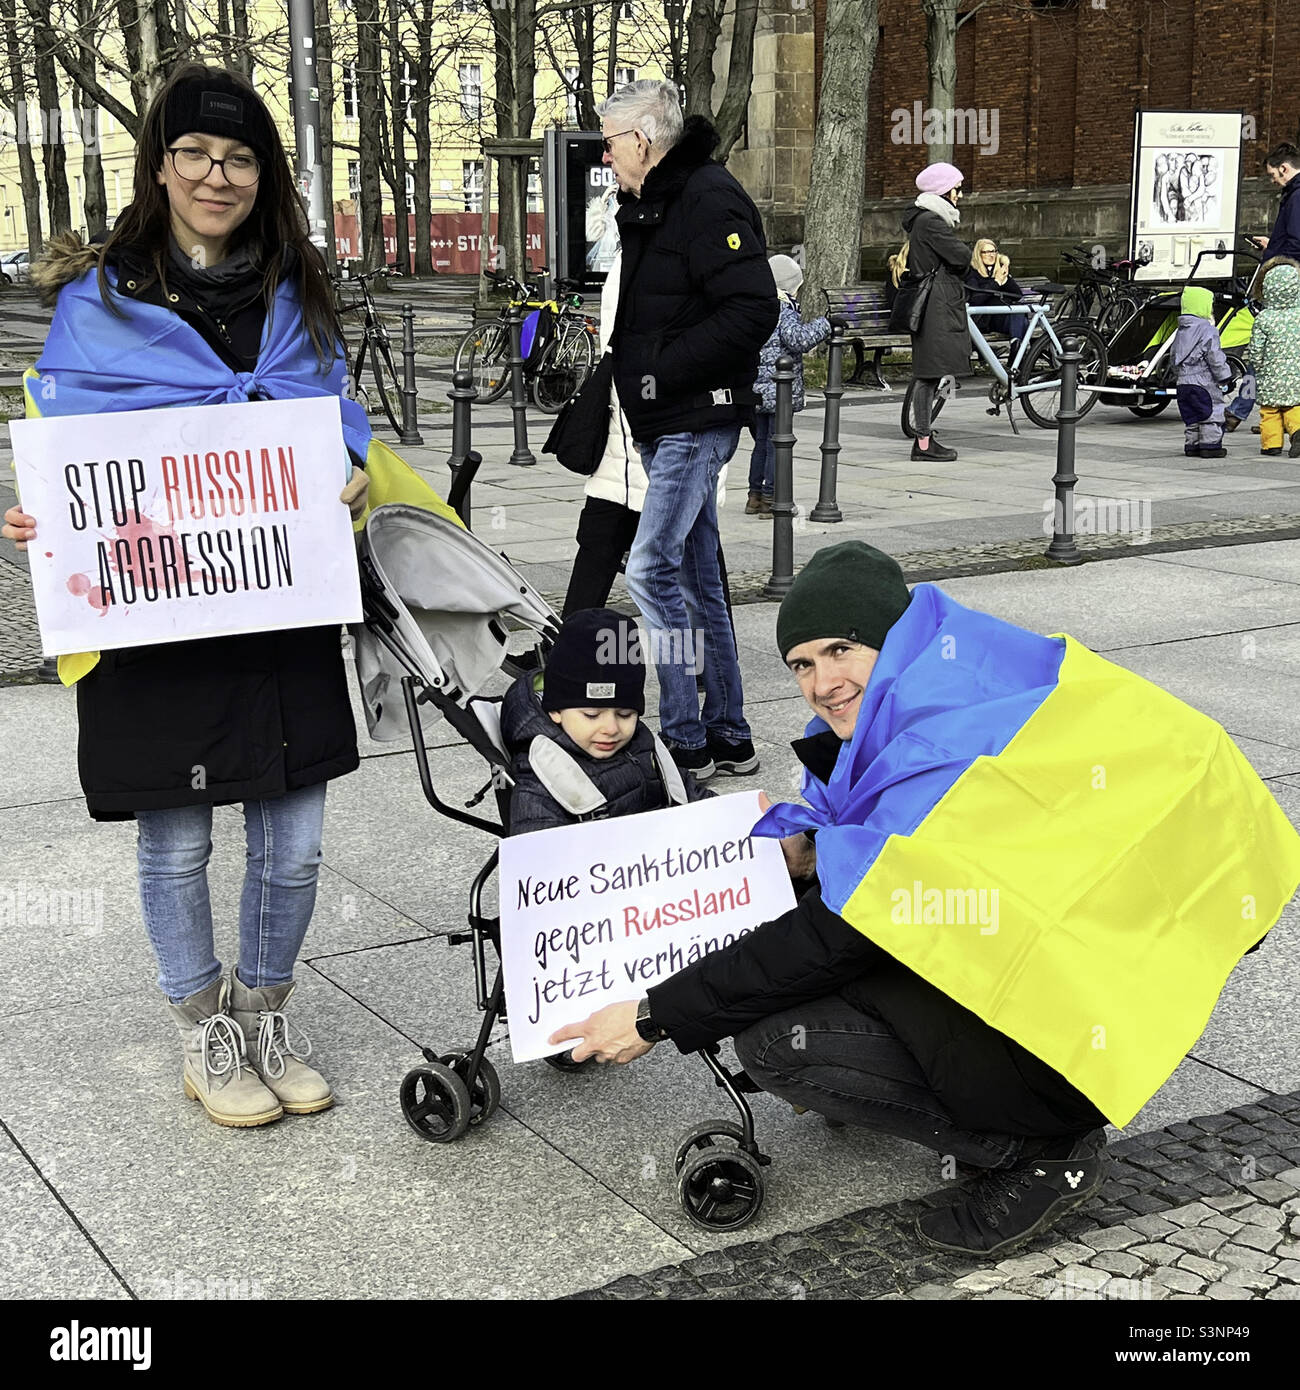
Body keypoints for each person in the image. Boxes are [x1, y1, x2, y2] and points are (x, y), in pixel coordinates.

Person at [550, 540, 1300, 1257]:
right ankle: (1024, 1105)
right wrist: (816, 852)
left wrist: (657, 1014)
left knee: (777, 1043)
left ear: (897, 639)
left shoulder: (933, 741)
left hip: (1068, 1010)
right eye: (801, 663)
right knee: (820, 983)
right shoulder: (949, 688)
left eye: (842, 650)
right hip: (1069, 963)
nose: (820, 682)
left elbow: (837, 934)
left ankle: (1040, 1150)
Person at [2, 65, 372, 1129]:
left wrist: (352, 463)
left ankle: (264, 1008)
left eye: (241, 156)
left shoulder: (296, 292)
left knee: (294, 835)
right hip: (154, 612)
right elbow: (67, 438)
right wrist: (40, 516)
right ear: (161, 168)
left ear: (265, 174)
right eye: (198, 155)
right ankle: (201, 1026)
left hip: (279, 597)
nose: (219, 174)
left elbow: (335, 410)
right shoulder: (99, 299)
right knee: (177, 837)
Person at [599, 79, 777, 782]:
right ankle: (729, 734)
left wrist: (664, 369)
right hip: (669, 417)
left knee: (649, 568)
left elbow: (751, 309)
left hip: (693, 419)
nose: (606, 158)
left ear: (640, 141)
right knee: (699, 578)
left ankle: (684, 739)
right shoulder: (657, 198)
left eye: (610, 145)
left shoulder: (706, 195)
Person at [500, 607, 711, 837]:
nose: (611, 729)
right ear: (555, 711)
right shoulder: (541, 778)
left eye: (625, 715)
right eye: (591, 715)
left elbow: (692, 794)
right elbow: (539, 855)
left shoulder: (643, 745)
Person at [746, 254, 831, 517]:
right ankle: (774, 497)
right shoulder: (783, 307)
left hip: (758, 388)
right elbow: (796, 340)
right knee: (777, 443)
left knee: (761, 443)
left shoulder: (757, 304)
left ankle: (755, 496)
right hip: (778, 390)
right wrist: (824, 324)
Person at [901, 161, 971, 463]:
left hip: (936, 301)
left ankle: (925, 440)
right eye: (956, 188)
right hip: (935, 305)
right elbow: (962, 255)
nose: (960, 195)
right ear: (944, 190)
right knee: (928, 374)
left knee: (928, 373)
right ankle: (924, 443)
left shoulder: (926, 219)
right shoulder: (932, 221)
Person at [1244, 261, 1300, 458]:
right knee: (1293, 406)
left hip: (1270, 375)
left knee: (1270, 411)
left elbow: (1256, 348)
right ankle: (1297, 431)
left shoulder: (1264, 318)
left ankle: (1272, 445)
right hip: (1296, 375)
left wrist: (1256, 364)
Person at [1172, 284, 1231, 459]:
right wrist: (1225, 375)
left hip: (1183, 381)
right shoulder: (1207, 330)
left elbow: (1173, 356)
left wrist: (1179, 375)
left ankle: (1192, 445)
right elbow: (1214, 356)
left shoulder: (1180, 331)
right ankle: (1210, 446)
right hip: (1203, 380)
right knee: (1210, 412)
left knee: (1192, 415)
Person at [964, 237, 1028, 353]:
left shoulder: (999, 271)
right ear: (979, 254)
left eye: (993, 251)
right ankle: (1016, 358)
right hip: (986, 320)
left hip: (1004, 318)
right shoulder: (972, 273)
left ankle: (1015, 348)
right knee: (1023, 323)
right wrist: (996, 283)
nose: (991, 255)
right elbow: (976, 299)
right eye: (986, 252)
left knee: (1019, 312)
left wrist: (1005, 279)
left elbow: (1017, 295)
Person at [1249, 143, 1300, 260]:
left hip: (1289, 271)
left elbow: (1296, 245)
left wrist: (1273, 257)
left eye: (1272, 175)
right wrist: (1272, 245)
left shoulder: (1296, 196)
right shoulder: (1293, 193)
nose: (1272, 181)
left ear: (1283, 168)